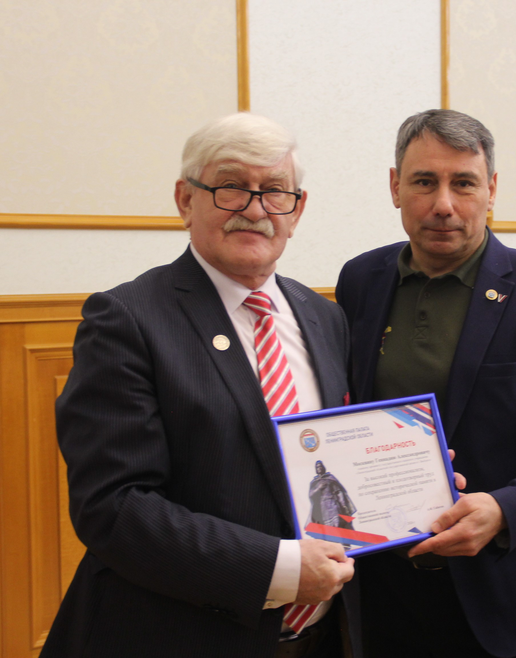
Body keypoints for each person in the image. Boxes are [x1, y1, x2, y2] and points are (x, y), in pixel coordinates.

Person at [41, 113, 360, 658]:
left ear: (297, 209)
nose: (255, 210)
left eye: (275, 191)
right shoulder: (126, 320)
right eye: (231, 186)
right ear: (185, 200)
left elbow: (326, 460)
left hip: (321, 639)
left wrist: (409, 482)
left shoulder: (324, 317)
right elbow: (113, 507)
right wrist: (279, 570)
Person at [336, 109, 516, 658]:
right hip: (378, 589)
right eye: (424, 182)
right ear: (395, 186)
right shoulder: (360, 280)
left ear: (491, 189)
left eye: (463, 183)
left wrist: (504, 509)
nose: (443, 204)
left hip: (497, 593)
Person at [308, 460, 356, 530]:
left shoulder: (330, 478)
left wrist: (344, 505)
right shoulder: (314, 482)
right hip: (323, 508)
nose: (319, 468)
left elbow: (338, 491)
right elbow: (311, 494)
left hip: (333, 503)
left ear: (323, 467)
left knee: (337, 521)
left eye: (320, 466)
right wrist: (319, 487)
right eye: (317, 467)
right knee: (328, 527)